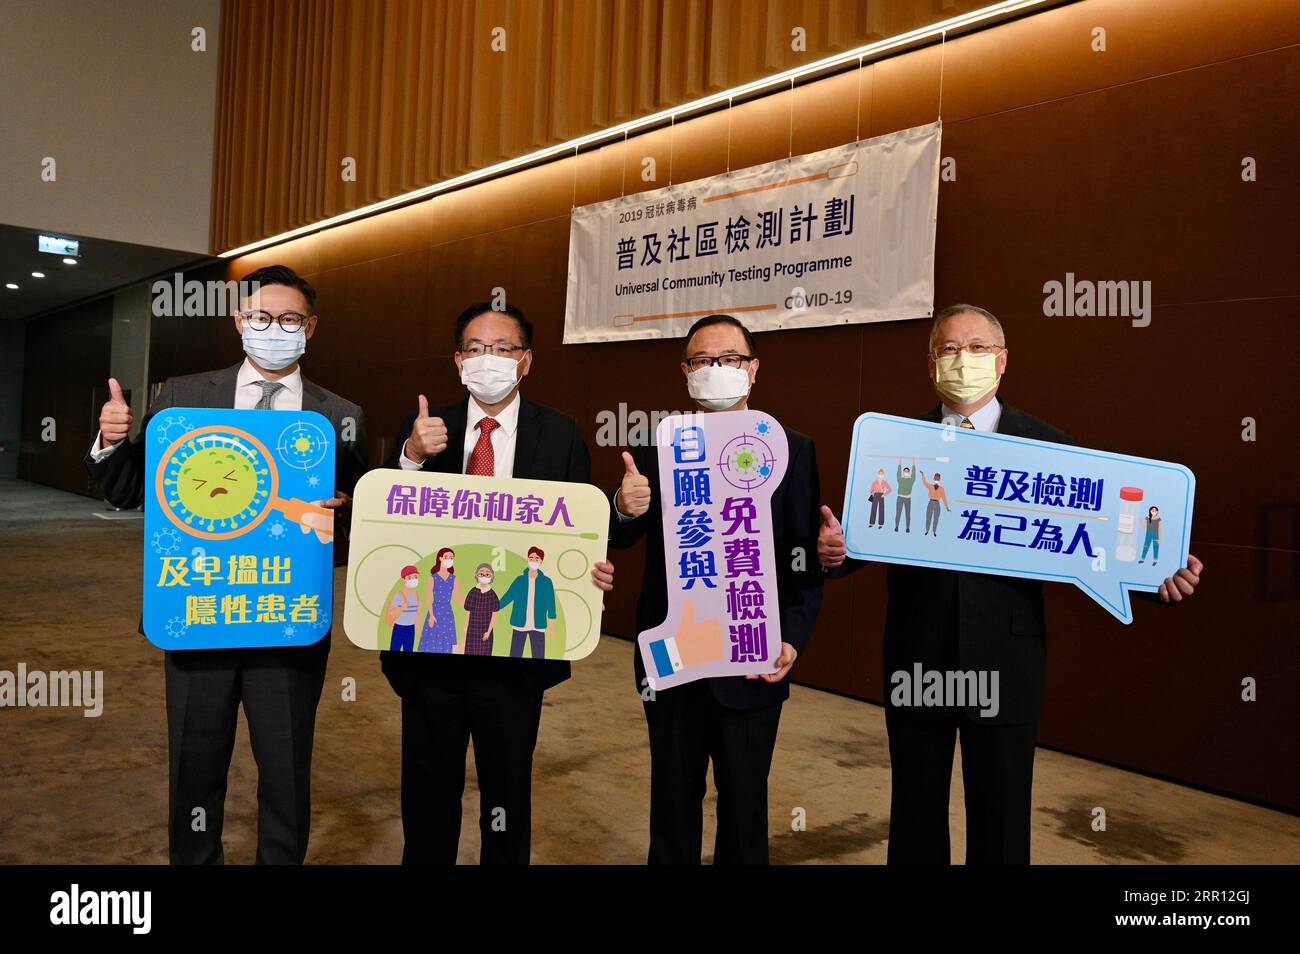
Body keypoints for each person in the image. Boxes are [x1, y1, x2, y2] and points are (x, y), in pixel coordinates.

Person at [816, 303, 1204, 865]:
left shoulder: (1050, 450)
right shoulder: (895, 444)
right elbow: (862, 537)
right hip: (917, 654)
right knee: (915, 810)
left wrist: (1157, 576)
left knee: (1001, 816)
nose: (962, 359)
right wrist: (834, 554)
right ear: (931, 366)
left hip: (1006, 659)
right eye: (949, 349)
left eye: (976, 348)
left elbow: (1093, 541)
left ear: (1001, 362)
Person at [84, 264, 368, 864]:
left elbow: (350, 534)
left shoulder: (340, 416)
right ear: (239, 321)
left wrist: (332, 519)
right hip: (200, 612)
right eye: (262, 317)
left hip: (287, 620)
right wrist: (111, 442)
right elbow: (129, 492)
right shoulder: (182, 397)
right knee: (195, 765)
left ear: (310, 327)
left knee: (287, 771)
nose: (275, 328)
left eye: (290, 319)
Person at [380, 301, 615, 865]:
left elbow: (578, 531)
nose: (490, 361)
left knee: (507, 793)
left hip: (513, 653)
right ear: (459, 361)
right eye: (477, 350)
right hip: (434, 646)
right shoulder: (425, 428)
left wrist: (591, 569)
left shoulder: (559, 432)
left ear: (526, 361)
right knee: (428, 791)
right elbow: (383, 517)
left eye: (504, 349)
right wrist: (412, 457)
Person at [609, 313, 824, 865]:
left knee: (746, 811)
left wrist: (793, 639)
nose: (717, 370)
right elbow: (620, 538)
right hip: (673, 662)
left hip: (754, 662)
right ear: (685, 372)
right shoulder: (658, 449)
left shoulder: (792, 449)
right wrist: (623, 506)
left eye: (730, 359)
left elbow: (806, 561)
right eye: (704, 361)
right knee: (672, 807)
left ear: (753, 369)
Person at [498, 547, 557, 660]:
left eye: (537, 558)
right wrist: (494, 607)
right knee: (515, 655)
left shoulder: (547, 582)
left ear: (541, 561)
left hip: (538, 624)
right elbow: (508, 596)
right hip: (519, 623)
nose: (533, 560)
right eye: (531, 558)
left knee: (538, 656)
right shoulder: (519, 580)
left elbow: (551, 603)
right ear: (527, 559)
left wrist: (552, 626)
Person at [420, 548, 461, 653]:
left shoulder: (454, 578)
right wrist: (431, 615)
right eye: (447, 557)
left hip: (447, 612)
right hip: (435, 610)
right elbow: (429, 598)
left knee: (447, 640)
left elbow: (459, 598)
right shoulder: (433, 578)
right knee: (432, 640)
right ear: (440, 558)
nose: (450, 559)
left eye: (452, 558)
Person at [463, 564, 501, 656]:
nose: (484, 576)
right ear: (476, 575)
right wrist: (465, 627)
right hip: (472, 629)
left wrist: (488, 631)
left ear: (492, 576)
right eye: (481, 574)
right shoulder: (473, 592)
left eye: (487, 574)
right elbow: (468, 612)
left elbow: (494, 615)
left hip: (485, 629)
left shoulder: (492, 595)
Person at [387, 565, 422, 651]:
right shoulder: (398, 596)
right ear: (403, 579)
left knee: (409, 650)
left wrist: (418, 626)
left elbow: (419, 612)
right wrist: (401, 608)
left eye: (415, 577)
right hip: (399, 628)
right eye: (410, 577)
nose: (413, 580)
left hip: (411, 628)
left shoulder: (416, 595)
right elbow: (390, 613)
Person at [919, 469, 950, 536]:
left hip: (937, 503)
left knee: (936, 518)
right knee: (928, 517)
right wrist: (922, 475)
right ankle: (927, 530)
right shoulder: (930, 486)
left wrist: (947, 507)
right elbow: (925, 482)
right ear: (934, 478)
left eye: (938, 478)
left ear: (940, 479)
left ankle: (934, 531)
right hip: (930, 502)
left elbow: (944, 498)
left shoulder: (942, 489)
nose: (936, 479)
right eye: (935, 477)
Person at [895, 457, 917, 532]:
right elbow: (898, 473)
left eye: (907, 471)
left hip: (908, 499)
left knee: (908, 514)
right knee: (898, 513)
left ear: (909, 472)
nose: (906, 472)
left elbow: (914, 475)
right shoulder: (900, 479)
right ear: (903, 472)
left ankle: (907, 528)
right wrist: (900, 462)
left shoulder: (911, 480)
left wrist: (913, 463)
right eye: (905, 471)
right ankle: (896, 526)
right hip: (900, 498)